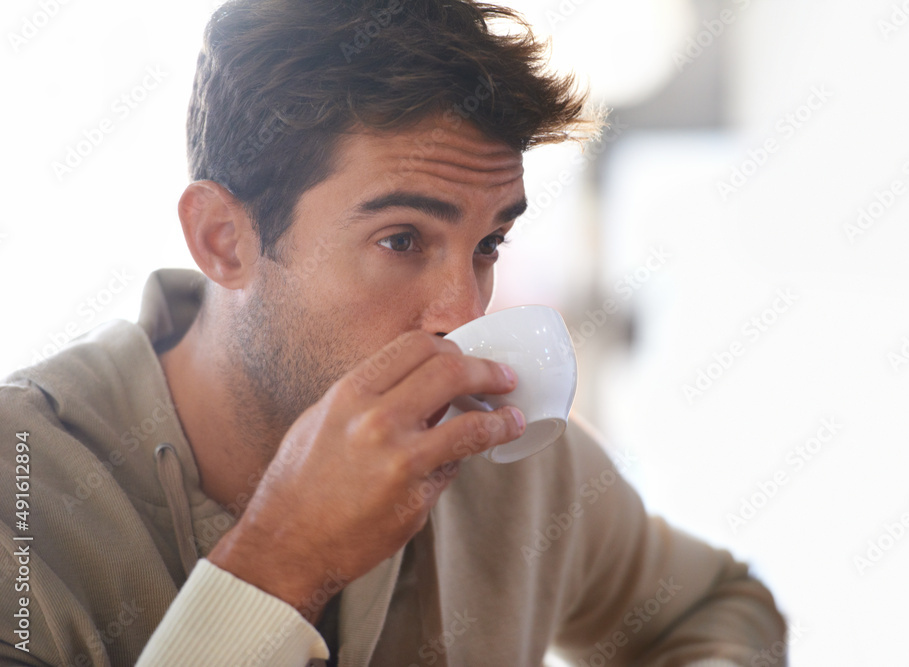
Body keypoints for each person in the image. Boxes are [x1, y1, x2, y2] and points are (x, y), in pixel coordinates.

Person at [0, 0, 787, 664]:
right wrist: (281, 561)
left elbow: (720, 604)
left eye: (488, 246)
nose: (463, 312)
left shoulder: (498, 454)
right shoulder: (23, 488)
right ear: (222, 240)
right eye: (402, 239)